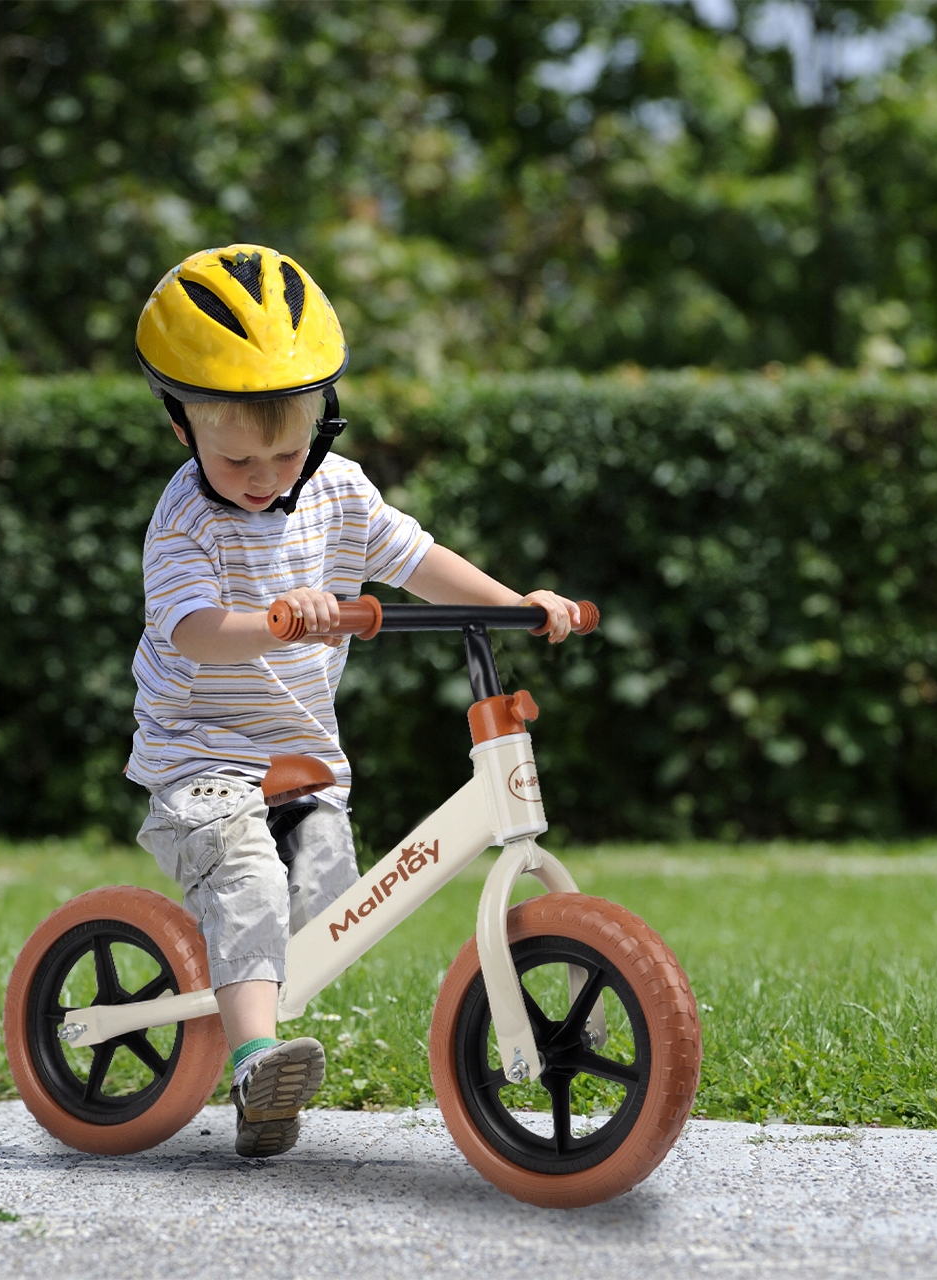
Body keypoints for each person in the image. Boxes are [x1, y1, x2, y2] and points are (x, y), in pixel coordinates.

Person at [128, 244, 581, 1158]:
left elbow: (415, 560)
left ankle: (239, 988)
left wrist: (513, 603)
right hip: (202, 754)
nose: (264, 475)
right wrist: (275, 620)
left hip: (301, 755)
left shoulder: (337, 489)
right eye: (236, 456)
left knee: (328, 893)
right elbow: (195, 631)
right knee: (253, 884)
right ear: (183, 428)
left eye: (287, 449)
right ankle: (258, 1063)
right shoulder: (184, 519)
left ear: (323, 423)